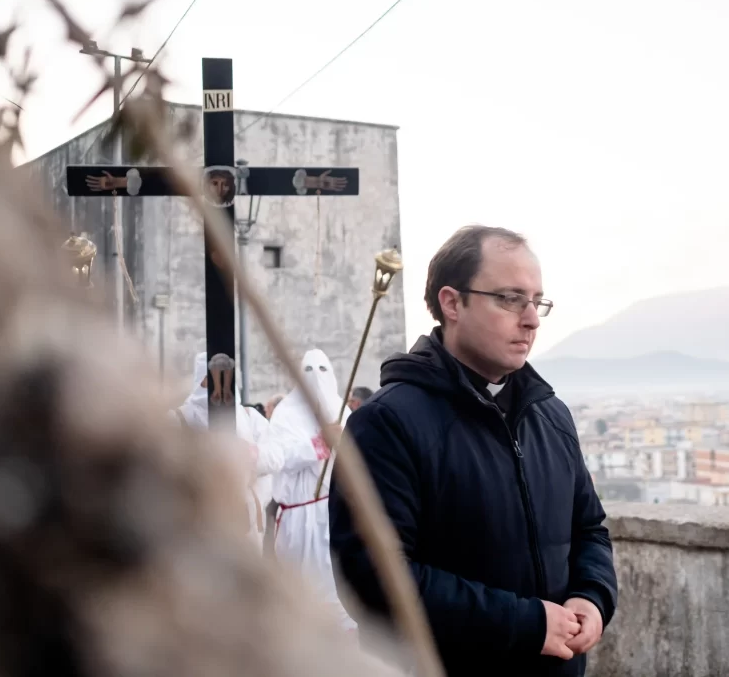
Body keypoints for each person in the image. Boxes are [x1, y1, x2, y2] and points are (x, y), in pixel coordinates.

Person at [329, 226, 618, 676]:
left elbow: (589, 529)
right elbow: (375, 579)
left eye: (537, 300)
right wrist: (527, 623)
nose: (532, 319)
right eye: (509, 298)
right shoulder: (387, 424)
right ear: (452, 303)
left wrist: (593, 596)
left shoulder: (551, 416)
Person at [268, 349, 356, 631]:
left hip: (334, 512)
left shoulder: (342, 410)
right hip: (298, 518)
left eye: (321, 370)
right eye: (308, 371)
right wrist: (318, 445)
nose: (315, 378)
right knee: (301, 591)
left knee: (339, 590)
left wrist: (341, 442)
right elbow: (281, 456)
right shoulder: (285, 414)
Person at [171, 352, 284, 550]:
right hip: (193, 522)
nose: (220, 383)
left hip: (244, 519)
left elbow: (277, 456)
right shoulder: (178, 419)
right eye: (212, 377)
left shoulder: (250, 417)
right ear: (202, 378)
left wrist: (249, 454)